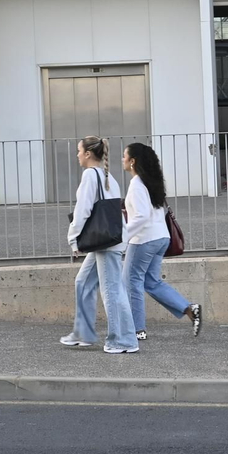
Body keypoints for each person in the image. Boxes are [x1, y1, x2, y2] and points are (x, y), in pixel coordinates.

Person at [61, 136, 139, 353]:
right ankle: (83, 333)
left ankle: (123, 341)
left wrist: (73, 238)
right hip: (108, 240)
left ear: (88, 154)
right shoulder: (107, 176)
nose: (77, 155)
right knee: (83, 282)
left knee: (112, 291)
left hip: (104, 244)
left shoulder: (90, 175)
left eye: (79, 151)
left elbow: (83, 209)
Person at [121, 142, 203, 340]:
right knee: (151, 281)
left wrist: (123, 236)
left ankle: (137, 330)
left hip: (144, 240)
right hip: (161, 238)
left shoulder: (137, 184)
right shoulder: (151, 182)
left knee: (131, 282)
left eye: (124, 156)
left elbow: (141, 216)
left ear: (133, 161)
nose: (122, 160)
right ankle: (190, 309)